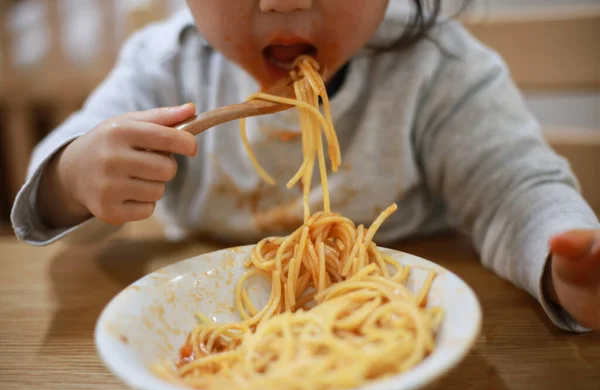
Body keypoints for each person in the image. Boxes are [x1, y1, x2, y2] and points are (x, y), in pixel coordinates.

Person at [11, 0, 600, 331]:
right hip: (221, 330)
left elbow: (514, 189)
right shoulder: (166, 64)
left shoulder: (437, 69)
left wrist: (562, 264)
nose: (283, 1)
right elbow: (54, 187)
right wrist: (75, 176)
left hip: (404, 328)